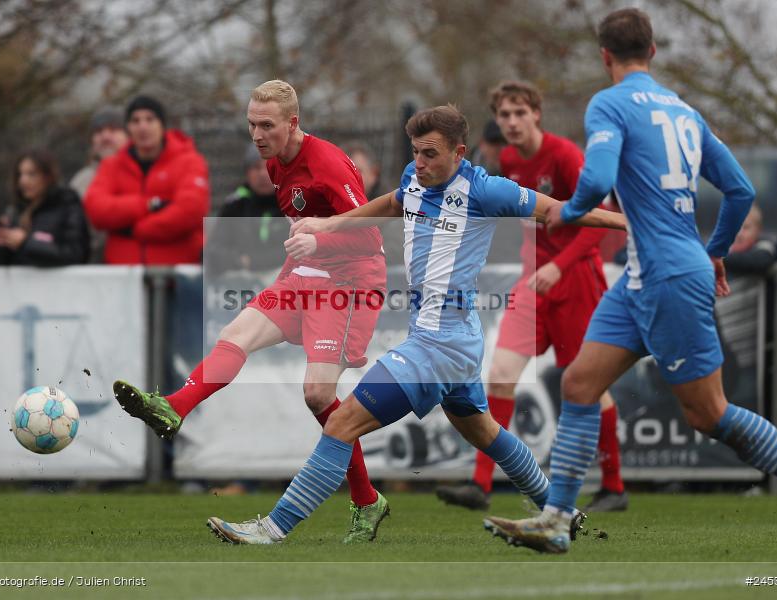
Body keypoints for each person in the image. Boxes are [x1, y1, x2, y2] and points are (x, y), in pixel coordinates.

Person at [204, 105, 626, 545]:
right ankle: (560, 509)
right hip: (450, 342)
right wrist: (331, 223)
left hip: (440, 347)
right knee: (485, 432)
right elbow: (391, 201)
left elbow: (561, 209)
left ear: (459, 152)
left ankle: (272, 529)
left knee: (341, 423)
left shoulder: (486, 191)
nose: (419, 164)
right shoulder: (413, 177)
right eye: (415, 153)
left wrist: (632, 223)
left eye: (430, 154)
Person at [484, 8, 777, 554]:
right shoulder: (685, 112)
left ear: (604, 56)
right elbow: (738, 192)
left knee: (708, 413)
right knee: (579, 384)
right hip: (647, 274)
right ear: (655, 51)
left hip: (667, 277)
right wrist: (713, 253)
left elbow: (594, 181)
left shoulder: (609, 103)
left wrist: (566, 214)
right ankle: (557, 520)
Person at [112, 80, 391, 543]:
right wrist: (290, 270)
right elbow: (299, 232)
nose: (257, 135)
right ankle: (173, 407)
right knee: (235, 333)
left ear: (293, 123)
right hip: (305, 275)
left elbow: (371, 236)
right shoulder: (274, 164)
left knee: (319, 396)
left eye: (267, 125)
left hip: (350, 282)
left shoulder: (326, 162)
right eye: (251, 124)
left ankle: (366, 499)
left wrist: (319, 237)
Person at [436, 81, 627, 513]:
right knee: (500, 372)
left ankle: (614, 487)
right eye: (504, 115)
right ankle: (480, 485)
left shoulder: (564, 156)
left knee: (589, 385)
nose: (512, 122)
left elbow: (600, 220)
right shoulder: (506, 159)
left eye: (520, 113)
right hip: (534, 283)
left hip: (576, 280)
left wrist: (558, 265)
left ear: (537, 114)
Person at [83, 95, 209, 264]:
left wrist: (140, 229)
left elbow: (190, 210)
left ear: (162, 125)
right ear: (128, 128)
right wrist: (147, 205)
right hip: (123, 277)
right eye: (135, 121)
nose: (143, 127)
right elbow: (97, 210)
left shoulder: (189, 161)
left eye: (150, 119)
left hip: (177, 278)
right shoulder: (111, 166)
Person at [0, 149, 89, 266]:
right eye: (20, 174)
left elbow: (74, 254)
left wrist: (25, 243)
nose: (23, 181)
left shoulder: (67, 205)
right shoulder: (16, 211)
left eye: (31, 174)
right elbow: (4, 261)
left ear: (48, 176)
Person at [208, 145, 288, 273]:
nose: (263, 174)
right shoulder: (235, 206)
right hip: (241, 285)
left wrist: (253, 261)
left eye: (269, 167)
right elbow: (215, 251)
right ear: (247, 173)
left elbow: (300, 252)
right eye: (256, 167)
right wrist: (239, 262)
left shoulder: (294, 205)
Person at [70, 106, 128, 264]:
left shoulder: (141, 173)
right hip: (91, 268)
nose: (105, 136)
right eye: (99, 131)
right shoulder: (81, 180)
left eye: (113, 129)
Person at [724, 204, 775, 277]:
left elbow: (760, 262)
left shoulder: (764, 246)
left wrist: (719, 258)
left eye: (746, 228)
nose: (739, 234)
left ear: (758, 230)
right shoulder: (724, 247)